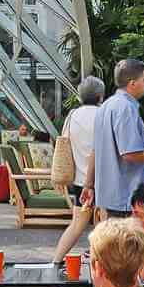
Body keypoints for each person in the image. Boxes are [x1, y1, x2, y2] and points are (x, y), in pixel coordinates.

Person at [82, 59, 144, 219]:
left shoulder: (106, 106)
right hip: (124, 197)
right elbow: (130, 154)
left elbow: (95, 151)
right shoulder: (125, 108)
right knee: (125, 243)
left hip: (107, 197)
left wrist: (89, 184)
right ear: (132, 83)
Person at [51, 76, 104, 263]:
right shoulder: (103, 114)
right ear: (100, 96)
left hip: (79, 180)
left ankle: (56, 261)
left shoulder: (73, 115)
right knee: (104, 227)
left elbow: (65, 141)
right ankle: (99, 268)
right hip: (101, 180)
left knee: (76, 224)